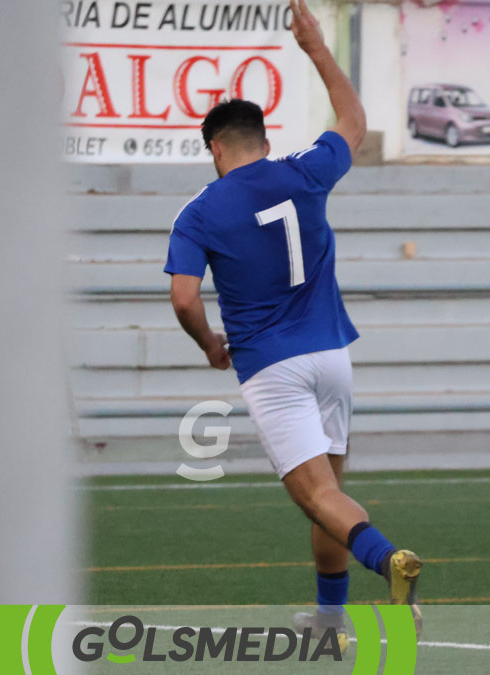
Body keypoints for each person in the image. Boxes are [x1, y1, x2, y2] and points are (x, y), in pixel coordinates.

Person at [162, 0, 422, 633]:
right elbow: (354, 121)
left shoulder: (199, 212)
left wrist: (207, 344)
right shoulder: (303, 172)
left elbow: (183, 298)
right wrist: (316, 49)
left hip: (270, 366)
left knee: (315, 497)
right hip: (333, 354)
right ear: (265, 141)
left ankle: (391, 561)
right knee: (326, 497)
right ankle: (331, 620)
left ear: (216, 148)